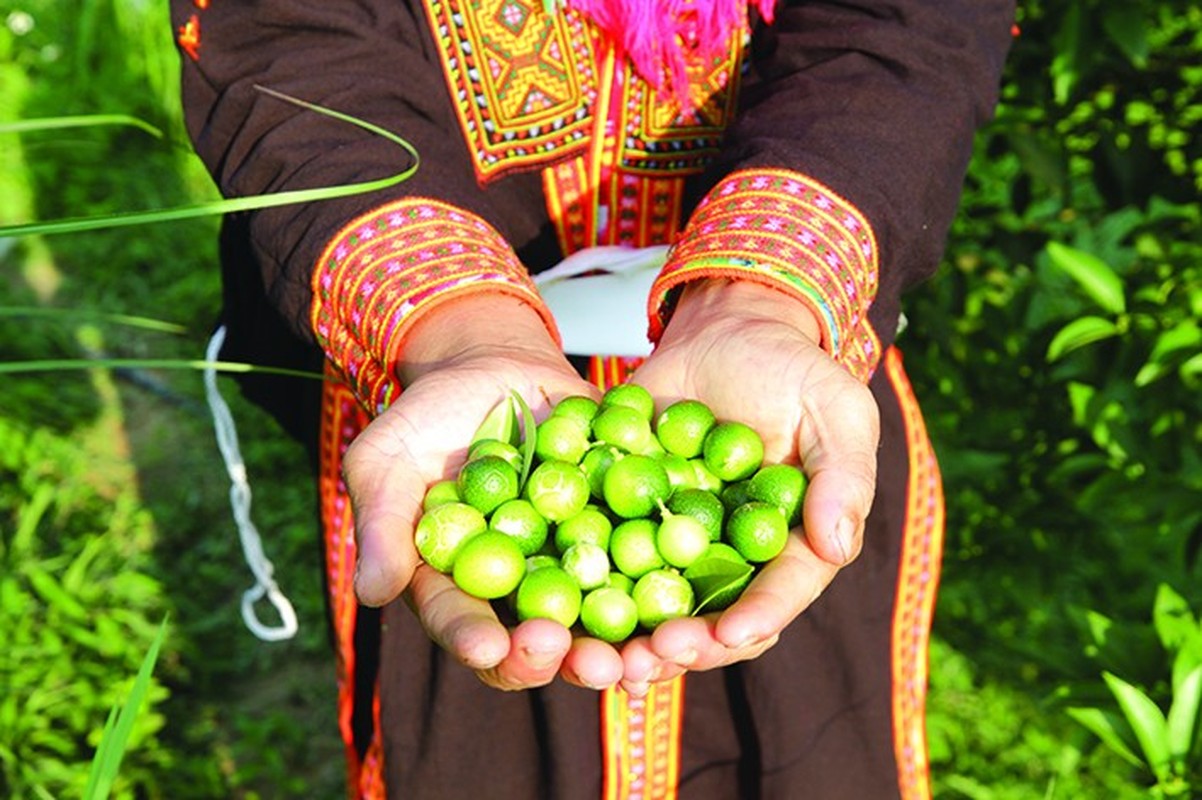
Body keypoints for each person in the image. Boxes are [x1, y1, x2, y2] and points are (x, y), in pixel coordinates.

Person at [172, 0, 1015, 796]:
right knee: (479, 750)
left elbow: (906, 25)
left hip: (781, 384)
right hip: (440, 398)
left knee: (803, 736)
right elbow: (284, 35)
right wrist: (454, 325)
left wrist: (765, 291)